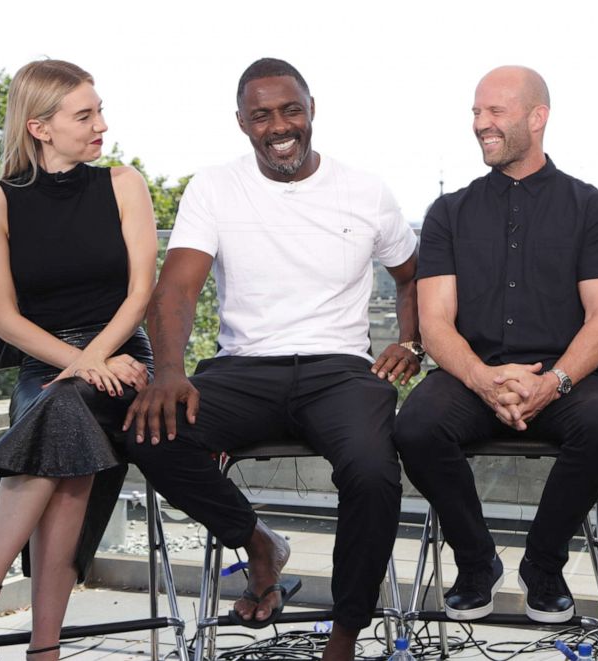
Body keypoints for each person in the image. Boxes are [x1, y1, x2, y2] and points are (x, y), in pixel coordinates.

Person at [122, 57, 420, 661]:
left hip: (339, 371)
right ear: (242, 123)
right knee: (150, 431)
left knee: (371, 469)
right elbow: (176, 289)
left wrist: (410, 342)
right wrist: (169, 371)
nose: (278, 125)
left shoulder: (364, 190)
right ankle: (257, 544)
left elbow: (413, 277)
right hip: (244, 369)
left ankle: (345, 632)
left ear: (312, 112)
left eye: (290, 110)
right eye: (262, 115)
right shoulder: (214, 187)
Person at [0, 60, 157, 661]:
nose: (102, 125)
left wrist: (98, 359)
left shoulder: (122, 183)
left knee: (63, 414)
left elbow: (140, 295)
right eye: (85, 115)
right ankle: (43, 649)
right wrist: (82, 366)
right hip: (46, 365)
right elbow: (5, 321)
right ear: (40, 127)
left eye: (99, 110)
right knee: (64, 424)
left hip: (125, 357)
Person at [394, 65, 598, 624]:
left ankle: (543, 566)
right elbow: (434, 323)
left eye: (495, 112)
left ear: (537, 117)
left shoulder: (593, 208)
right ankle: (477, 563)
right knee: (415, 427)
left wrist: (551, 384)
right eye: (476, 113)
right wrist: (483, 379)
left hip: (566, 378)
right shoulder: (448, 214)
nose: (481, 124)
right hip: (470, 376)